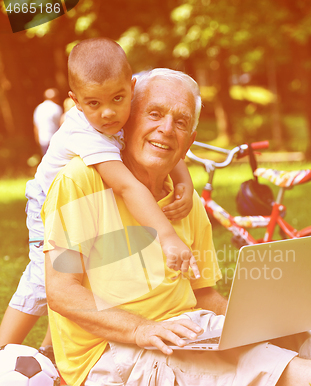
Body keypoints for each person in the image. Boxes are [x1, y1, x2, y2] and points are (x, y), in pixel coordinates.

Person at [43, 68, 311, 386]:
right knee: (263, 366)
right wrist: (141, 329)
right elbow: (61, 292)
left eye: (180, 122)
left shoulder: (186, 200)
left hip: (186, 330)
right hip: (111, 354)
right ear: (128, 120)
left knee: (307, 340)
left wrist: (253, 324)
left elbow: (203, 293)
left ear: (189, 141)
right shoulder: (80, 181)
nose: (166, 129)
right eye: (154, 114)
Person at [0, 39, 198, 352]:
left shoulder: (126, 110)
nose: (107, 113)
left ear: (131, 88)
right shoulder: (86, 132)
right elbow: (126, 185)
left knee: (87, 271)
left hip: (88, 203)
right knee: (46, 276)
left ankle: (52, 350)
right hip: (48, 204)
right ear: (75, 101)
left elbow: (167, 148)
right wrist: (168, 236)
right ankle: (3, 348)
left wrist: (184, 182)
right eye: (93, 104)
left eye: (117, 98)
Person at [33, 88, 63, 155]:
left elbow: (36, 126)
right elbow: (61, 124)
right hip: (55, 140)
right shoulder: (56, 108)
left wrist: (38, 140)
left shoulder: (39, 108)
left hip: (43, 140)